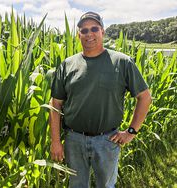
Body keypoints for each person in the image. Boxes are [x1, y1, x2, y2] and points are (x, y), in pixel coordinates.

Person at [49, 11, 152, 188]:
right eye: (84, 30)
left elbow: (144, 97)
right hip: (74, 140)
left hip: (107, 140)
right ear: (78, 35)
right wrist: (56, 141)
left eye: (94, 29)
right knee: (76, 185)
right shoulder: (67, 64)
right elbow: (55, 103)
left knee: (106, 185)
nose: (89, 34)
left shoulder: (122, 62)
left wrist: (130, 132)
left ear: (103, 32)